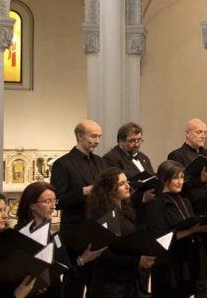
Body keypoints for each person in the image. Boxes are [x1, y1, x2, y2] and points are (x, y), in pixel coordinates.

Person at [51, 119, 107, 298]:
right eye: (93, 136)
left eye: (99, 136)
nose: (97, 140)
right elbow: (57, 201)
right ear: (79, 136)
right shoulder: (63, 164)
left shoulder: (101, 162)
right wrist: (84, 191)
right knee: (73, 284)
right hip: (75, 231)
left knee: (96, 284)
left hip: (98, 228)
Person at [146, 160, 207, 298]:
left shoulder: (185, 201)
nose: (180, 182)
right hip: (166, 263)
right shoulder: (156, 203)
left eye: (182, 177)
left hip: (185, 260)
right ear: (165, 179)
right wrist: (191, 231)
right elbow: (159, 237)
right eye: (176, 178)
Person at [85, 168, 155, 298]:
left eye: (127, 182)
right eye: (122, 183)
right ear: (109, 188)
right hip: (110, 283)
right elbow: (104, 253)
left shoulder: (125, 210)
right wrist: (137, 261)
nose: (128, 186)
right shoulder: (103, 214)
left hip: (127, 279)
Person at [103, 122, 156, 227]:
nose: (137, 144)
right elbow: (113, 191)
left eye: (139, 140)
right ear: (121, 140)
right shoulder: (111, 158)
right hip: (129, 214)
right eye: (132, 141)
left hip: (147, 213)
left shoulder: (143, 157)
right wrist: (142, 198)